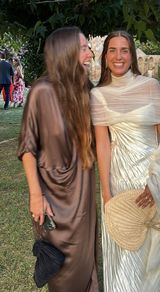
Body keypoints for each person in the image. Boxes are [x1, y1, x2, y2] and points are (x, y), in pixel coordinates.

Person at [90, 31, 160, 292]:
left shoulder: (150, 86)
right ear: (105, 56)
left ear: (133, 55)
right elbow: (103, 143)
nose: (118, 56)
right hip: (118, 178)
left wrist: (157, 179)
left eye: (124, 50)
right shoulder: (98, 95)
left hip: (150, 175)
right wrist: (106, 191)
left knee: (150, 244)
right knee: (123, 244)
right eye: (112, 50)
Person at [17, 27, 99, 292]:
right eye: (84, 48)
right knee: (62, 271)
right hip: (52, 196)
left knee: (87, 263)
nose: (90, 53)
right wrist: (35, 195)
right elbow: (28, 148)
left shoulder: (86, 89)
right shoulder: (41, 91)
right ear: (67, 51)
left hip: (83, 192)